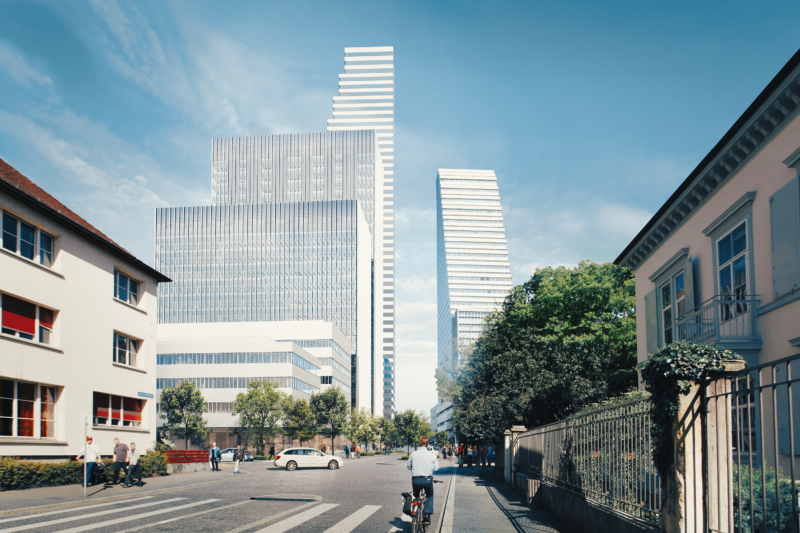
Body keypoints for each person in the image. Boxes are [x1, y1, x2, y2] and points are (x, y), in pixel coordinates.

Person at [408, 435, 439, 527]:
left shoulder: (413, 454)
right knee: (429, 495)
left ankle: (415, 510)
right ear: (427, 444)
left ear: (419, 443)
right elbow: (436, 468)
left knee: (416, 495)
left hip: (416, 480)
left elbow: (408, 466)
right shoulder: (431, 455)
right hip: (427, 479)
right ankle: (426, 514)